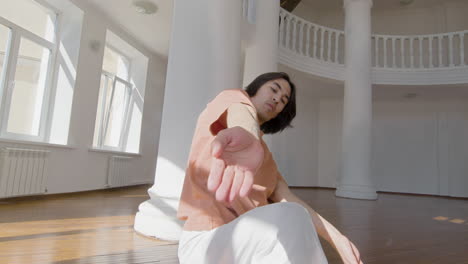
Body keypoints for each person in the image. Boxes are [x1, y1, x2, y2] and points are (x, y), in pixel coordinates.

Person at [177, 72, 363, 264]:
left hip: (250, 244)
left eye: (283, 100)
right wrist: (248, 134)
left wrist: (338, 239)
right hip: (207, 243)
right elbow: (241, 112)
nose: (277, 98)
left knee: (295, 214)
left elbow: (291, 201)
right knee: (292, 216)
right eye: (273, 89)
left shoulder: (266, 158)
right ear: (255, 89)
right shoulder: (232, 99)